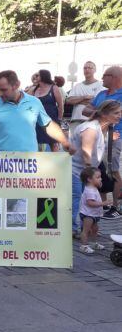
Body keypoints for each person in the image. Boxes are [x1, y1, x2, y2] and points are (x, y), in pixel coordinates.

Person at [0, 70, 73, 155]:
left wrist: (65, 142)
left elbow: (48, 125)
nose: (0, 94)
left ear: (17, 85)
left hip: (28, 164)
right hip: (0, 164)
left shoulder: (35, 102)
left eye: (4, 90)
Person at [70, 100, 121, 235]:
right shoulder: (91, 129)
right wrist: (92, 175)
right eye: (116, 113)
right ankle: (73, 230)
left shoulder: (102, 128)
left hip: (84, 172)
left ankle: (83, 229)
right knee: (77, 201)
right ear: (104, 114)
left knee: (84, 201)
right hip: (78, 172)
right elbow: (87, 152)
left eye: (120, 113)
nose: (119, 116)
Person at [82, 66, 122, 219]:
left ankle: (116, 206)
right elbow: (85, 110)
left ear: (114, 77)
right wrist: (101, 114)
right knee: (99, 168)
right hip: (98, 136)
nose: (102, 78)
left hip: (115, 137)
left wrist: (99, 114)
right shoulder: (101, 94)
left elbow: (116, 115)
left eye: (105, 75)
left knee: (113, 170)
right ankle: (103, 203)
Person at [26, 69, 64, 151]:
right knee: (37, 141)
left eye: (38, 75)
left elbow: (60, 105)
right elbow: (26, 98)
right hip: (37, 119)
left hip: (51, 119)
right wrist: (33, 84)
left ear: (43, 76)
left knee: (53, 143)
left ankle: (55, 162)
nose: (36, 77)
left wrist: (59, 119)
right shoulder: (34, 89)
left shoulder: (54, 88)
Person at [77, 167, 109, 254]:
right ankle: (84, 246)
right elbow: (90, 203)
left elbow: (100, 185)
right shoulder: (90, 191)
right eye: (98, 177)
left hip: (93, 214)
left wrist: (99, 183)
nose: (100, 179)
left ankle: (94, 243)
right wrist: (103, 203)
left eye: (100, 177)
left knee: (95, 229)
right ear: (89, 179)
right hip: (88, 214)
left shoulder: (93, 187)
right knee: (86, 230)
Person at [67, 61, 105, 133]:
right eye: (85, 68)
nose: (87, 70)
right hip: (76, 120)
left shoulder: (100, 85)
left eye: (90, 68)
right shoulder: (77, 86)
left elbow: (96, 102)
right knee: (74, 144)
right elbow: (69, 100)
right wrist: (84, 97)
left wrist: (77, 101)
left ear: (95, 70)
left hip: (92, 121)